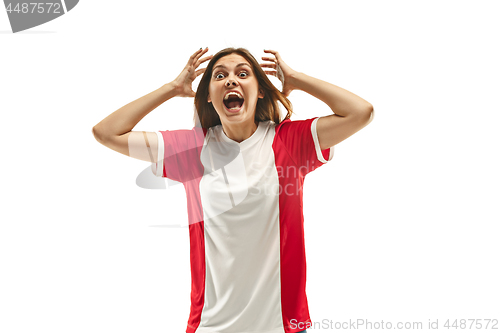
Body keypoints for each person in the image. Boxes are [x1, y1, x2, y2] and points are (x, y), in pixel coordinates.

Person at [92, 47, 374, 333]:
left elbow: (361, 112)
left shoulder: (289, 142)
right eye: (220, 75)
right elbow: (106, 133)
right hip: (210, 326)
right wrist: (172, 88)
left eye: (242, 73)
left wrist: (297, 79)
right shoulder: (191, 150)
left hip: (281, 325)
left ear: (261, 91)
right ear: (207, 96)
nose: (231, 80)